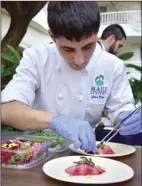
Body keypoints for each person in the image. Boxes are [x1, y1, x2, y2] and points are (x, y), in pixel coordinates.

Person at [1, 2, 141, 153]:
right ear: (52, 37)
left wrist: (125, 117)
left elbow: (121, 108)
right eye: (68, 49)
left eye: (88, 47)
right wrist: (55, 121)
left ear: (97, 34)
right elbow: (7, 110)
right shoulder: (37, 58)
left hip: (85, 153)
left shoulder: (112, 66)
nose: (79, 60)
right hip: (38, 154)